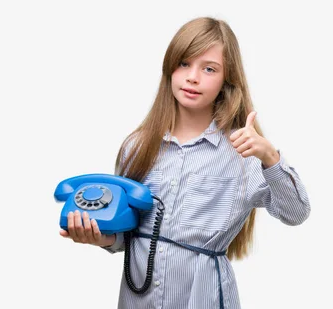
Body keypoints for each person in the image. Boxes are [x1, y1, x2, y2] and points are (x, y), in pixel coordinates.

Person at [60, 16, 311, 309]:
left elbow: (296, 213)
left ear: (227, 79)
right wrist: (100, 238)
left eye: (208, 69)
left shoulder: (243, 154)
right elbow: (129, 237)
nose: (193, 77)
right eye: (184, 63)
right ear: (170, 68)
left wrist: (270, 157)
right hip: (138, 299)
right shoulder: (136, 146)